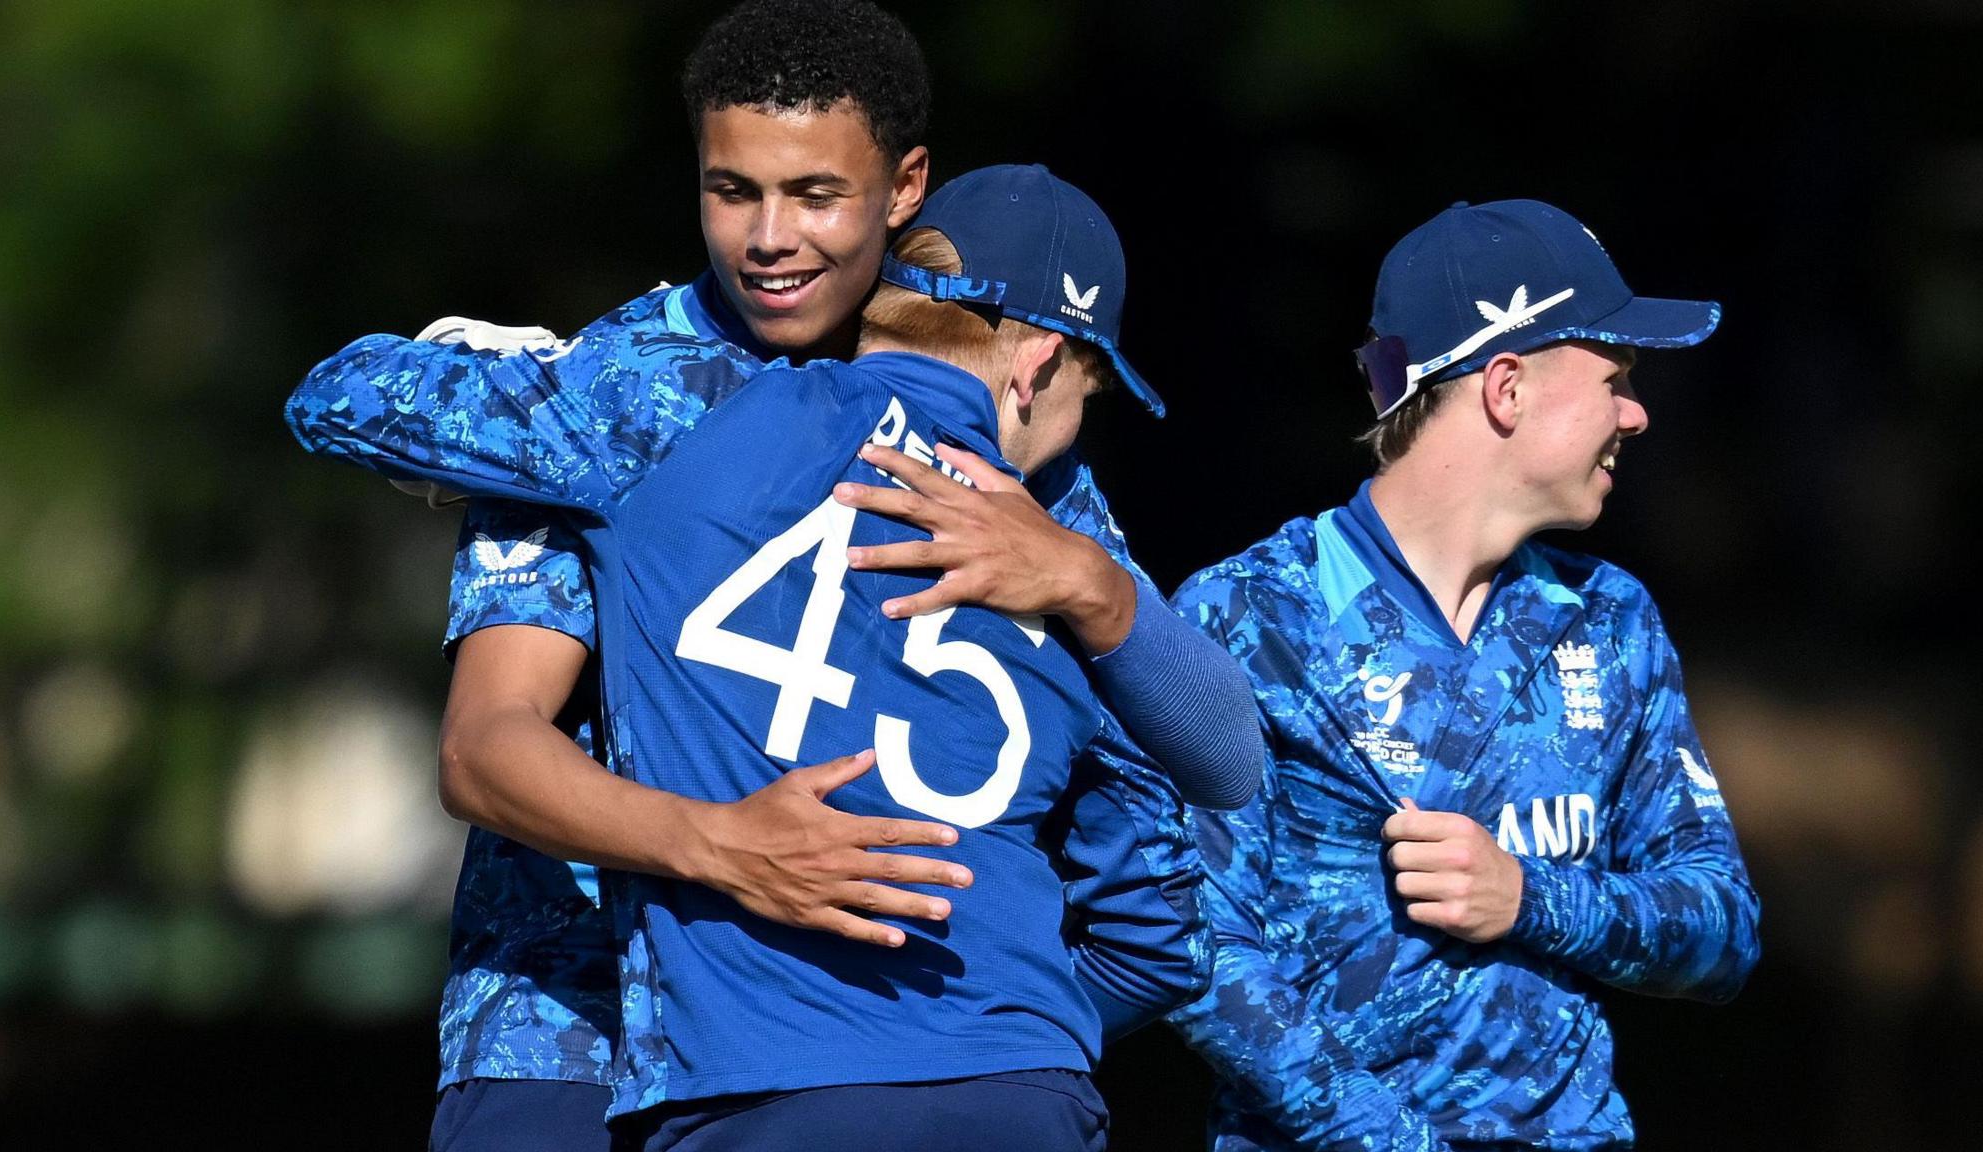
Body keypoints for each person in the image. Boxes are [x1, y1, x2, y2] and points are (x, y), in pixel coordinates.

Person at [295, 2, 1260, 1147]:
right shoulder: (610, 399)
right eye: (732, 190)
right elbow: (486, 744)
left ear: (904, 192)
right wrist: (720, 844)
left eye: (813, 195)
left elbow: (1179, 805)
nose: (767, 238)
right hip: (561, 1019)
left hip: (859, 1040)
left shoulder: (1042, 492)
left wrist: (992, 1040)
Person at [1166, 199, 1762, 1151]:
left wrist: (1532, 899)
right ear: (1507, 387)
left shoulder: (1613, 619)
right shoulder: (1250, 616)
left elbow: (1723, 930)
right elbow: (1197, 948)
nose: (1637, 413)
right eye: (1615, 376)